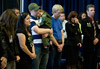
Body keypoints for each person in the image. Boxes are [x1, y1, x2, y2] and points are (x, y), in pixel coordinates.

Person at [28, 3, 60, 69]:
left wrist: (48, 31)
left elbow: (51, 32)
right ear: (30, 11)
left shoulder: (41, 19)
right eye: (35, 10)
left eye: (38, 10)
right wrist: (48, 30)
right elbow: (38, 31)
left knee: (44, 66)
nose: (38, 11)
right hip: (36, 46)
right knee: (36, 66)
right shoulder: (30, 20)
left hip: (45, 46)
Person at [81, 4, 100, 69]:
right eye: (91, 10)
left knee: (94, 62)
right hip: (88, 45)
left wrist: (97, 38)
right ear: (87, 11)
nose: (93, 11)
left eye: (94, 10)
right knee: (88, 63)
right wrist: (93, 40)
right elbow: (85, 32)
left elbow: (99, 31)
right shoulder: (84, 21)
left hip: (96, 45)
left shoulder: (97, 21)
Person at [47, 4, 64, 69]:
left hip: (60, 43)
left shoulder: (59, 21)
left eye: (61, 13)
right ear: (54, 12)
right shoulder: (50, 20)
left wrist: (62, 44)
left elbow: (62, 33)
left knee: (58, 63)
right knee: (51, 63)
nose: (60, 15)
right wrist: (58, 45)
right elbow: (51, 35)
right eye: (59, 13)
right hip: (54, 44)